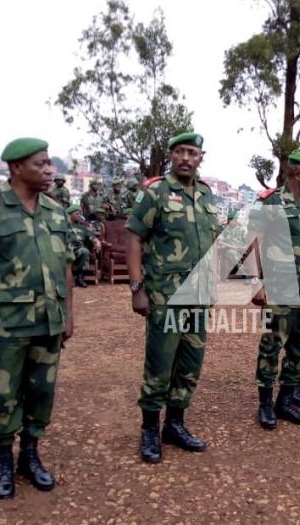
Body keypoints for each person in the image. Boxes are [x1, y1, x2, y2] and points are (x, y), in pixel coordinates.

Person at [0, 137, 74, 500]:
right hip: (7, 324)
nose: (49, 169)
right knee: (6, 394)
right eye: (40, 164)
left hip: (49, 321)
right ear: (16, 168)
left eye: (49, 163)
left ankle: (31, 456)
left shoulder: (56, 212)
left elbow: (66, 265)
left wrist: (69, 314)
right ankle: (4, 461)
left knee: (42, 392)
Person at [126, 132, 221, 463]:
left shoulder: (208, 196)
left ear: (200, 157)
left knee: (190, 363)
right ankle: (150, 428)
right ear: (171, 155)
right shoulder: (155, 193)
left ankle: (175, 424)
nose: (185, 158)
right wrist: (137, 289)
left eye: (192, 152)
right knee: (160, 364)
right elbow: (135, 240)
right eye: (180, 151)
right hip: (165, 296)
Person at [252, 150, 300, 429]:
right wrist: (255, 282)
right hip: (279, 288)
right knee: (272, 346)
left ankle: (285, 400)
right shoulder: (273, 202)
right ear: (297, 174)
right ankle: (265, 404)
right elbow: (253, 241)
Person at [66, 205, 101, 287]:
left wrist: (97, 242)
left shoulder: (83, 227)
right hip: (66, 249)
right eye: (77, 214)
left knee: (84, 251)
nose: (79, 216)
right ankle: (66, 279)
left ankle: (80, 277)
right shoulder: (64, 226)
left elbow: (92, 237)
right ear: (70, 215)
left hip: (78, 250)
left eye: (80, 214)